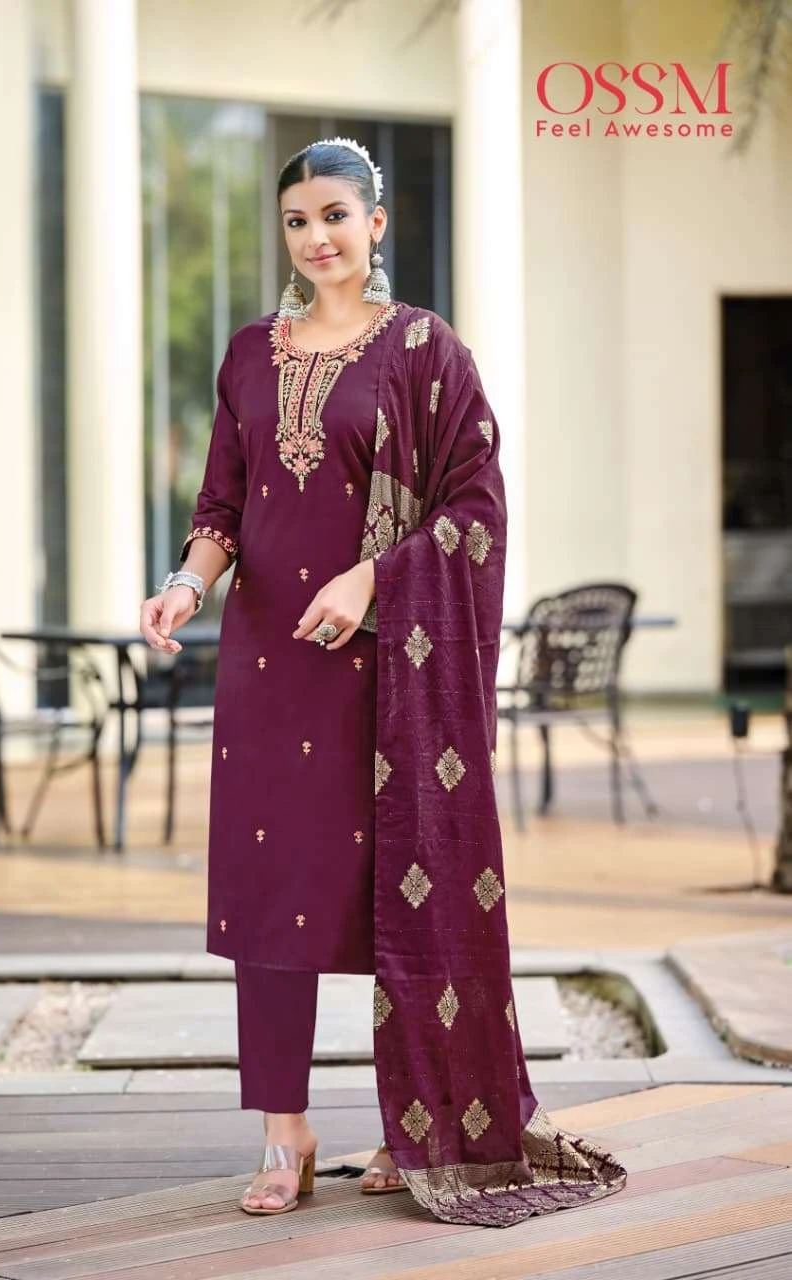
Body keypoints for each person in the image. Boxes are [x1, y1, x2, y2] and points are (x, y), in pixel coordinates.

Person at [140, 137, 627, 1227]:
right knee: (266, 893)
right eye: (296, 221)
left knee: (390, 892)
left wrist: (373, 579)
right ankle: (284, 1131)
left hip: (383, 674)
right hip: (268, 663)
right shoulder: (248, 355)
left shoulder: (424, 350)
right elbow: (222, 507)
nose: (316, 238)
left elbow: (474, 507)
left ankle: (418, 1127)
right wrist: (183, 584)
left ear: (376, 223)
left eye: (334, 215)